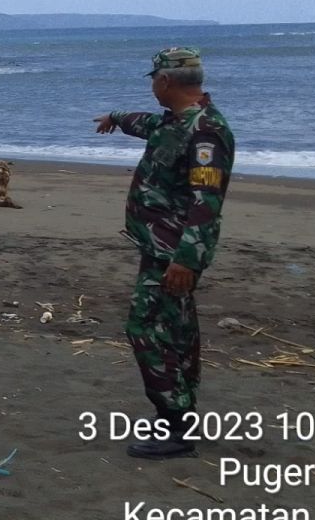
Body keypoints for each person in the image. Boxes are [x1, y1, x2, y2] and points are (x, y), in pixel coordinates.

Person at [93, 46, 234, 460]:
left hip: (175, 255)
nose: (153, 86)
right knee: (179, 332)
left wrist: (186, 260)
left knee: (146, 329)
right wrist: (115, 119)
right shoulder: (174, 122)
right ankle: (180, 416)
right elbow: (145, 123)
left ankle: (174, 423)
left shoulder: (205, 132)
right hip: (159, 250)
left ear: (166, 82)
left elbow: (206, 202)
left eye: (154, 79)